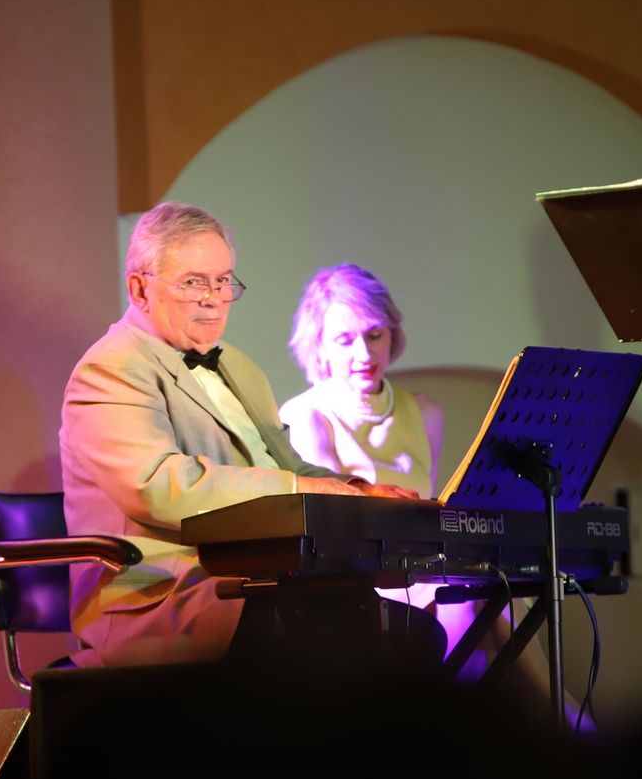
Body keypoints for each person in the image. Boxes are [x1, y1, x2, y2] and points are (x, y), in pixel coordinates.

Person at [58, 204, 422, 669]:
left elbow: (290, 467)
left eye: (223, 281)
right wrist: (300, 491)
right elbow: (158, 485)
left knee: (413, 636)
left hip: (254, 578)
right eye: (194, 282)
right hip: (163, 596)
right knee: (356, 643)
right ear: (140, 289)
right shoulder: (110, 369)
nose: (213, 299)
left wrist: (361, 493)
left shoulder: (239, 366)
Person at [280, 263, 586, 721]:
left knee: (488, 588)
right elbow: (327, 534)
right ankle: (565, 722)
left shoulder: (424, 411)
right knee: (478, 598)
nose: (364, 352)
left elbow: (435, 517)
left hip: (425, 573)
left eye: (375, 334)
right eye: (344, 340)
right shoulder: (307, 416)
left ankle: (531, 723)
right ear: (319, 346)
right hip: (359, 584)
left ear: (392, 335)